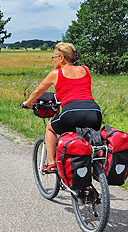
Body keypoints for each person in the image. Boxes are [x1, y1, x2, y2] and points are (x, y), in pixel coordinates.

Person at [22, 42, 102, 173]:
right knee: (86, 137)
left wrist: (28, 103)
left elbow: (37, 92)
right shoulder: (85, 69)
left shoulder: (56, 73)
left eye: (54, 57)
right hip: (94, 112)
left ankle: (52, 164)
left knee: (50, 127)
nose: (53, 61)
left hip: (71, 113)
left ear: (62, 58)